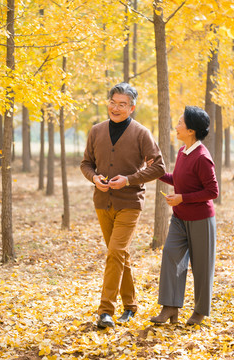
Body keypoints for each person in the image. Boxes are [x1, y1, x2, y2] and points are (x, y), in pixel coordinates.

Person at [80, 82, 165, 329]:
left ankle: (105, 311)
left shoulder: (141, 133)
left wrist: (129, 179)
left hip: (130, 202)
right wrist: (93, 177)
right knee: (119, 255)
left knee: (115, 252)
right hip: (102, 202)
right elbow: (86, 163)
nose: (115, 108)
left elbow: (158, 167)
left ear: (132, 108)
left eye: (122, 104)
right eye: (112, 103)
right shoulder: (96, 131)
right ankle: (130, 305)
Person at [150, 106, 219, 326]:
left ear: (191, 130)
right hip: (179, 218)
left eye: (180, 122)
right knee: (171, 255)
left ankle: (200, 311)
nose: (177, 126)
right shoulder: (183, 151)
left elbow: (212, 192)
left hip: (201, 219)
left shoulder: (202, 157)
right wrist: (158, 173)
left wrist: (182, 198)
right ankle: (170, 307)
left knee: (201, 266)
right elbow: (179, 179)